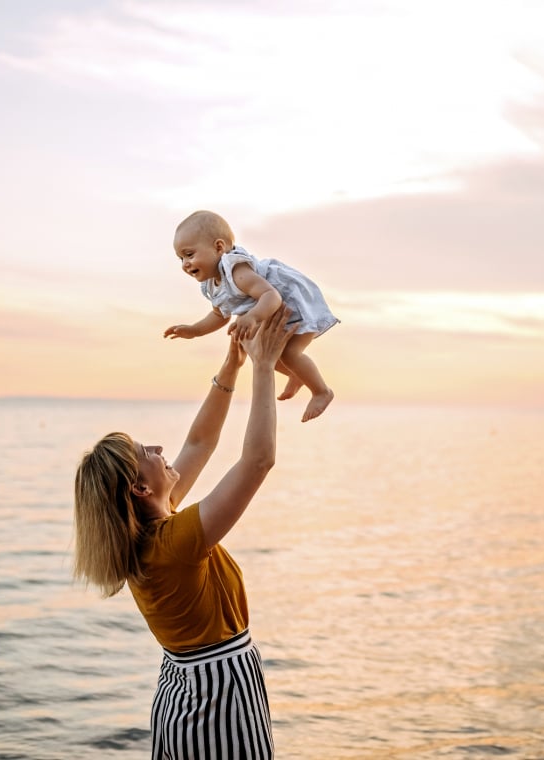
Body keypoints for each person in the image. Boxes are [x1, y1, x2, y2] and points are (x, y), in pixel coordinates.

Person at [73, 306, 298, 759]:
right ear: (138, 488)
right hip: (217, 700)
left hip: (186, 692)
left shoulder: (154, 530)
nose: (160, 449)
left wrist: (232, 362)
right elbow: (257, 462)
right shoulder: (174, 545)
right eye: (146, 451)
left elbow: (200, 442)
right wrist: (264, 367)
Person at [163, 210, 338, 422]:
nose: (185, 264)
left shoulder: (237, 271)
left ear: (219, 247)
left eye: (189, 254)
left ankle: (321, 391)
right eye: (180, 258)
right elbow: (219, 315)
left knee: (291, 353)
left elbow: (271, 296)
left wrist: (253, 317)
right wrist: (195, 330)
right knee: (260, 351)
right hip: (272, 308)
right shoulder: (212, 284)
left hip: (295, 302)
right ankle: (296, 375)